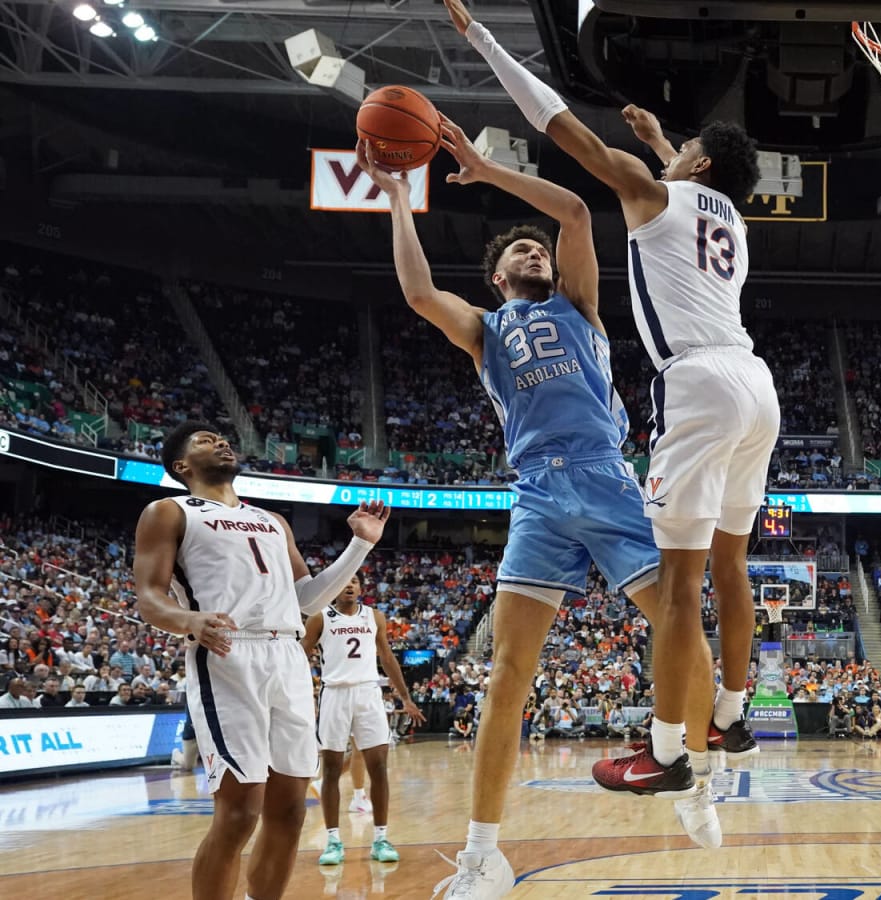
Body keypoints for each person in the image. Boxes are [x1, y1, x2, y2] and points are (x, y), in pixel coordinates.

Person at [356, 114, 715, 899]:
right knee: (506, 675)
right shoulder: (486, 330)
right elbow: (417, 292)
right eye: (522, 250)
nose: (537, 251)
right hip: (537, 496)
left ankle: (695, 769)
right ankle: (484, 855)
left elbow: (578, 214)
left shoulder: (580, 308)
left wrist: (485, 171)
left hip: (606, 475)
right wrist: (394, 193)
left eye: (539, 249)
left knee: (680, 622)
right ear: (499, 276)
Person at [441, 0, 776, 794]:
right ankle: (732, 713)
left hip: (698, 382)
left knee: (683, 582)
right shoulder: (734, 217)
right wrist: (668, 144)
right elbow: (692, 186)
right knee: (734, 564)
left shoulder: (648, 194)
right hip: (757, 383)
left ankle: (663, 754)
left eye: (683, 149)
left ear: (691, 168)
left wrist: (483, 41)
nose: (672, 153)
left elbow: (563, 127)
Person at [132, 421, 387, 900]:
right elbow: (149, 598)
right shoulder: (168, 511)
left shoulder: (273, 521)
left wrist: (361, 544)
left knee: (290, 812)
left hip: (288, 656)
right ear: (181, 465)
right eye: (205, 440)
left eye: (221, 437)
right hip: (229, 654)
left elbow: (307, 598)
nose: (221, 442)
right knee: (239, 812)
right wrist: (190, 621)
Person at [304, 576, 425, 865]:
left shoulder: (375, 617)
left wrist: (405, 697)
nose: (348, 585)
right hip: (334, 694)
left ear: (361, 588)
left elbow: (387, 657)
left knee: (379, 768)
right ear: (333, 587)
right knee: (331, 771)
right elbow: (300, 654)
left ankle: (381, 838)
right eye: (343, 581)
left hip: (369, 694)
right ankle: (333, 841)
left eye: (354, 581)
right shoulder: (320, 617)